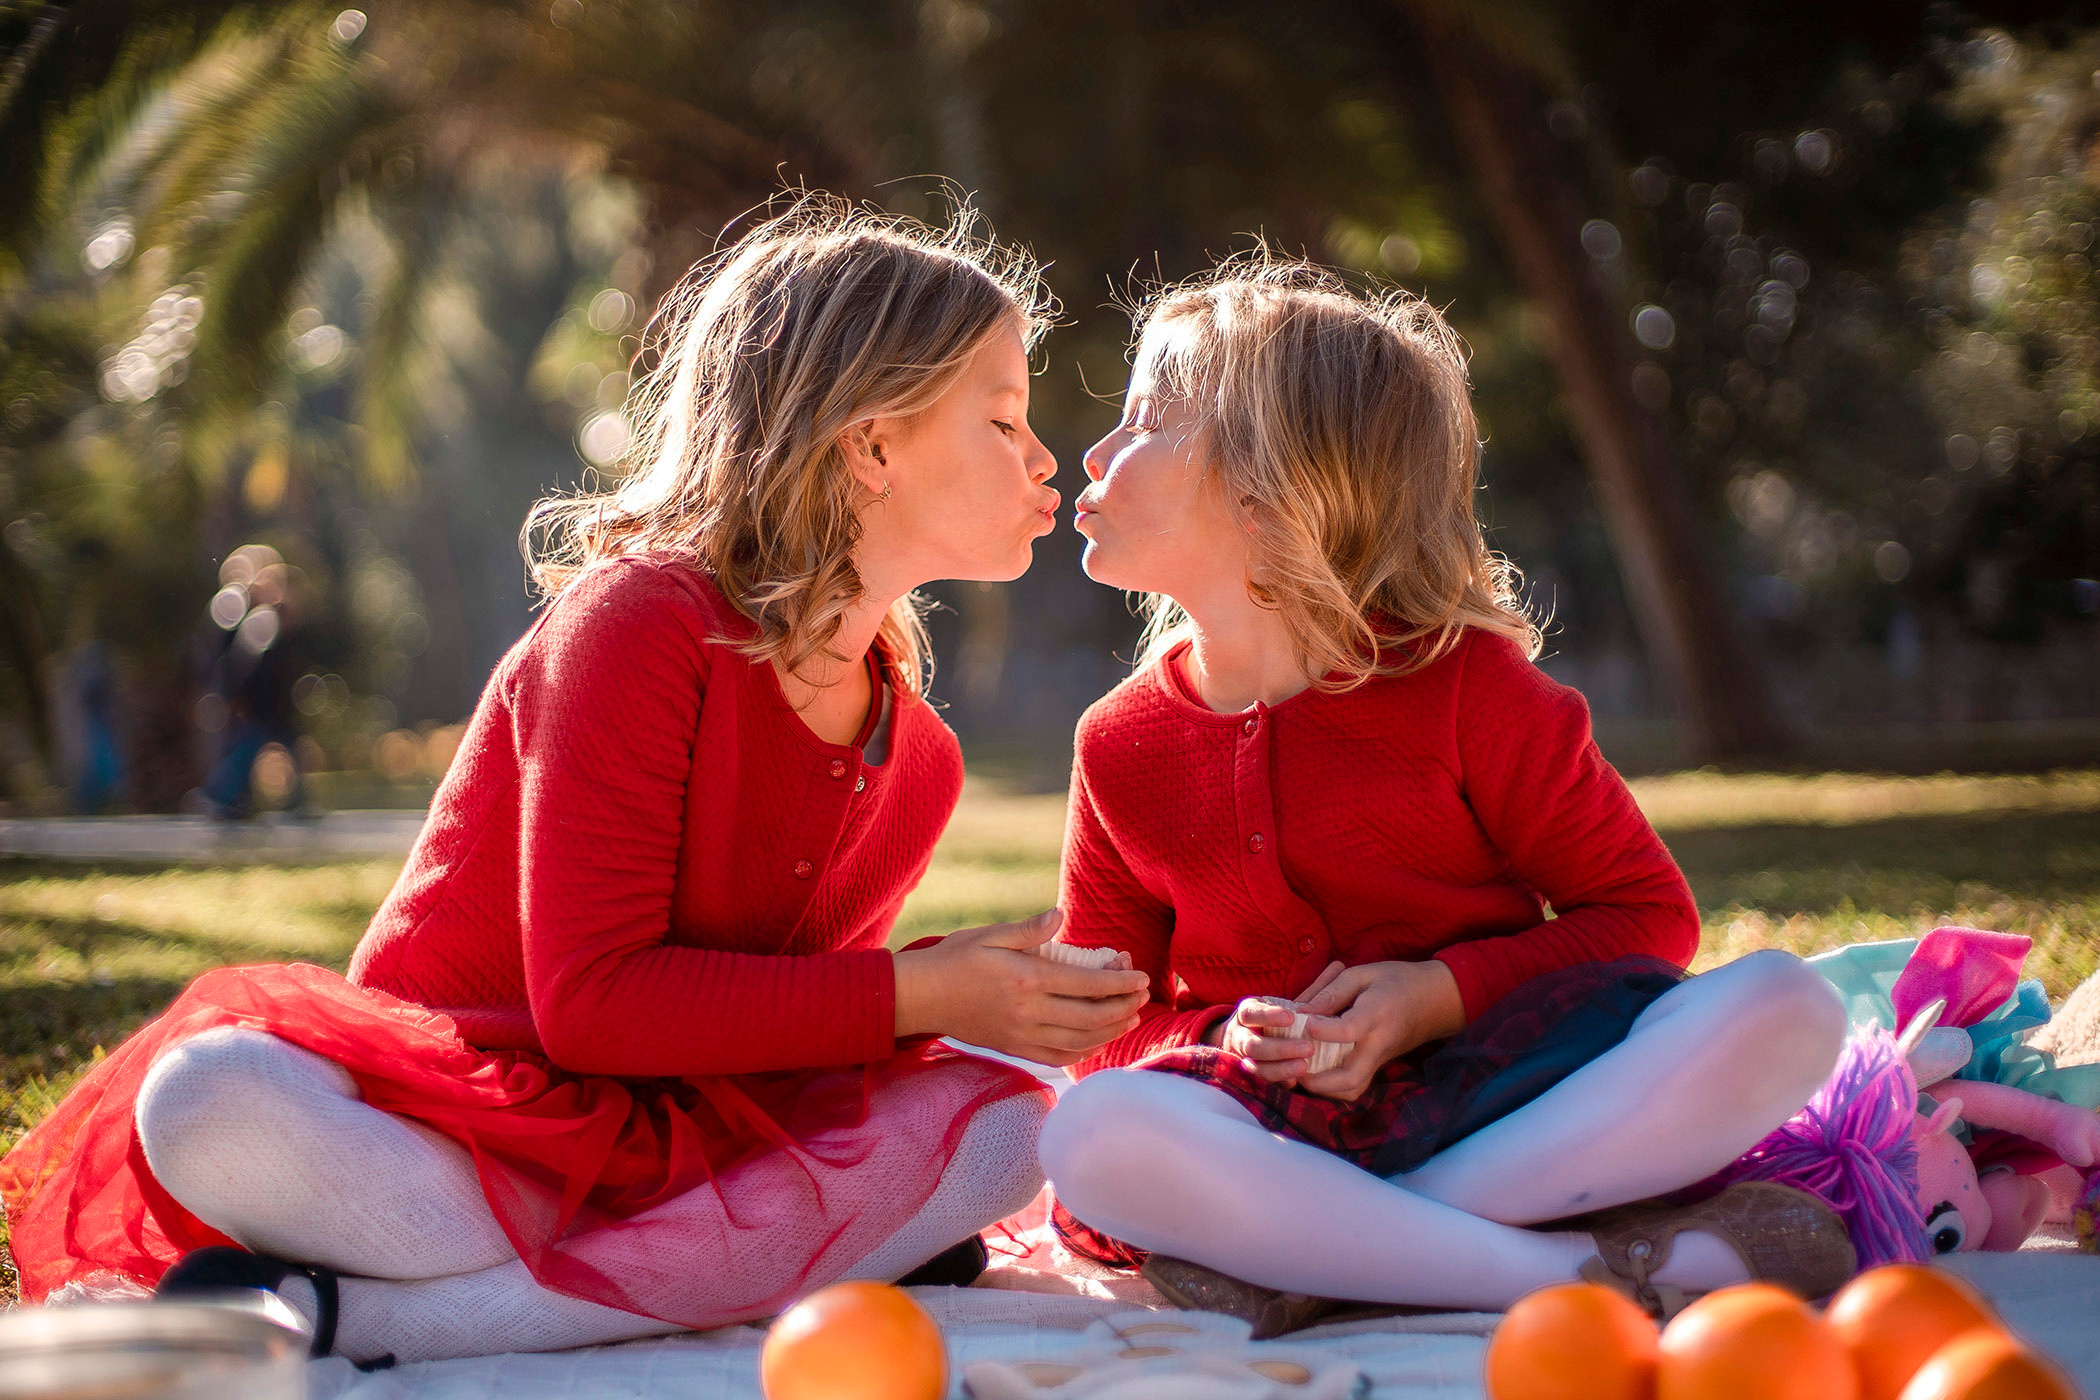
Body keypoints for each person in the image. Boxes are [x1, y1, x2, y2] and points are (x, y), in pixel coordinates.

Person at [0, 196, 1151, 1364]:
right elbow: (594, 1002)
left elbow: (785, 1027)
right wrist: (920, 996)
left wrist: (979, 989)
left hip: (669, 1146)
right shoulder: (643, 620)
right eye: (1005, 417)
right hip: (456, 1126)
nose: (1044, 454)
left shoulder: (921, 761)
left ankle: (359, 1313)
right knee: (208, 1096)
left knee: (1011, 1128)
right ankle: (709, 1262)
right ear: (872, 441)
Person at [1034, 256, 1855, 1330]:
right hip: (1270, 1126)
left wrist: (1436, 994)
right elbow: (1108, 1024)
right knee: (1086, 1133)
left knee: (1787, 1003)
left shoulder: (1470, 688)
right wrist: (1235, 1038)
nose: (1096, 452)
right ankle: (1564, 1275)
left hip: (1500, 1093)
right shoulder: (1119, 744)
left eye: (1145, 419)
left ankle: (1334, 1252)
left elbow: (1648, 919)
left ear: (1274, 485)